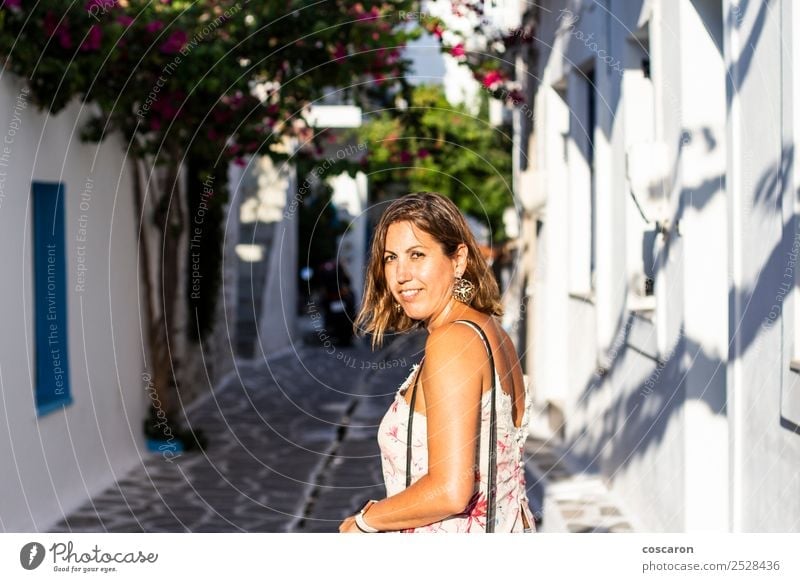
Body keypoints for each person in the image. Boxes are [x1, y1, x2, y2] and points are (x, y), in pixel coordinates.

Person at [338, 192, 535, 533]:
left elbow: (450, 491)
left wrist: (364, 522)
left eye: (417, 255)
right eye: (390, 258)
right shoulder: (490, 331)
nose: (401, 274)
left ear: (458, 259)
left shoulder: (452, 340)